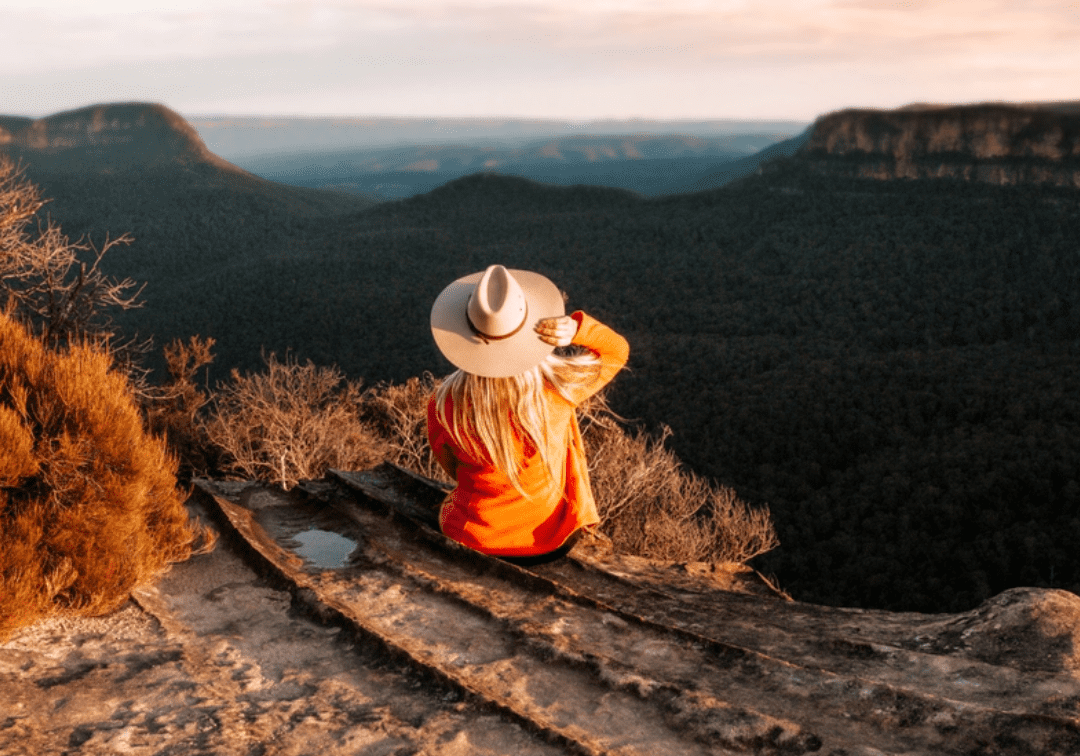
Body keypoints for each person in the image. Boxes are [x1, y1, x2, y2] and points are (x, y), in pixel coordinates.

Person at [427, 264, 629, 564]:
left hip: (472, 538)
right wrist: (576, 330)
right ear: (528, 332)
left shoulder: (444, 403)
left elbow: (450, 466)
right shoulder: (557, 393)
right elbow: (617, 351)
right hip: (549, 540)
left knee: (447, 504)